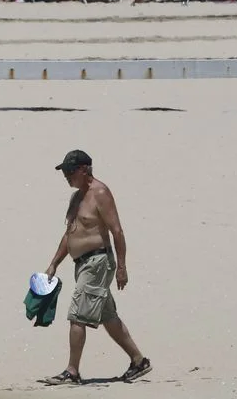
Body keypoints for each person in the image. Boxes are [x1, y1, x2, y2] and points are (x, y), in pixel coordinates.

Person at [42, 150, 151, 386]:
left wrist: (122, 267)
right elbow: (70, 233)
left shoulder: (100, 193)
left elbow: (117, 231)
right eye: (64, 172)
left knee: (77, 315)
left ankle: (72, 371)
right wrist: (53, 263)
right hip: (82, 264)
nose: (67, 177)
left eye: (70, 171)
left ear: (84, 169)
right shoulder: (76, 198)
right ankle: (139, 360)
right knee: (108, 316)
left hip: (98, 262)